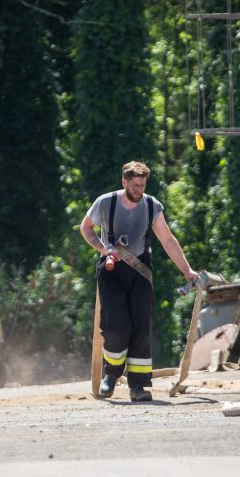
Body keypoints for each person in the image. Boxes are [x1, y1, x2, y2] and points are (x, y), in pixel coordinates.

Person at [80, 160, 198, 402]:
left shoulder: (151, 206)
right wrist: (103, 249)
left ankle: (138, 386)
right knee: (116, 328)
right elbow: (86, 228)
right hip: (111, 271)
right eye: (134, 185)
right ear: (124, 182)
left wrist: (187, 270)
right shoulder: (106, 202)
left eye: (142, 185)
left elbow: (168, 240)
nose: (139, 189)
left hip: (141, 271)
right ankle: (110, 375)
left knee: (141, 329)